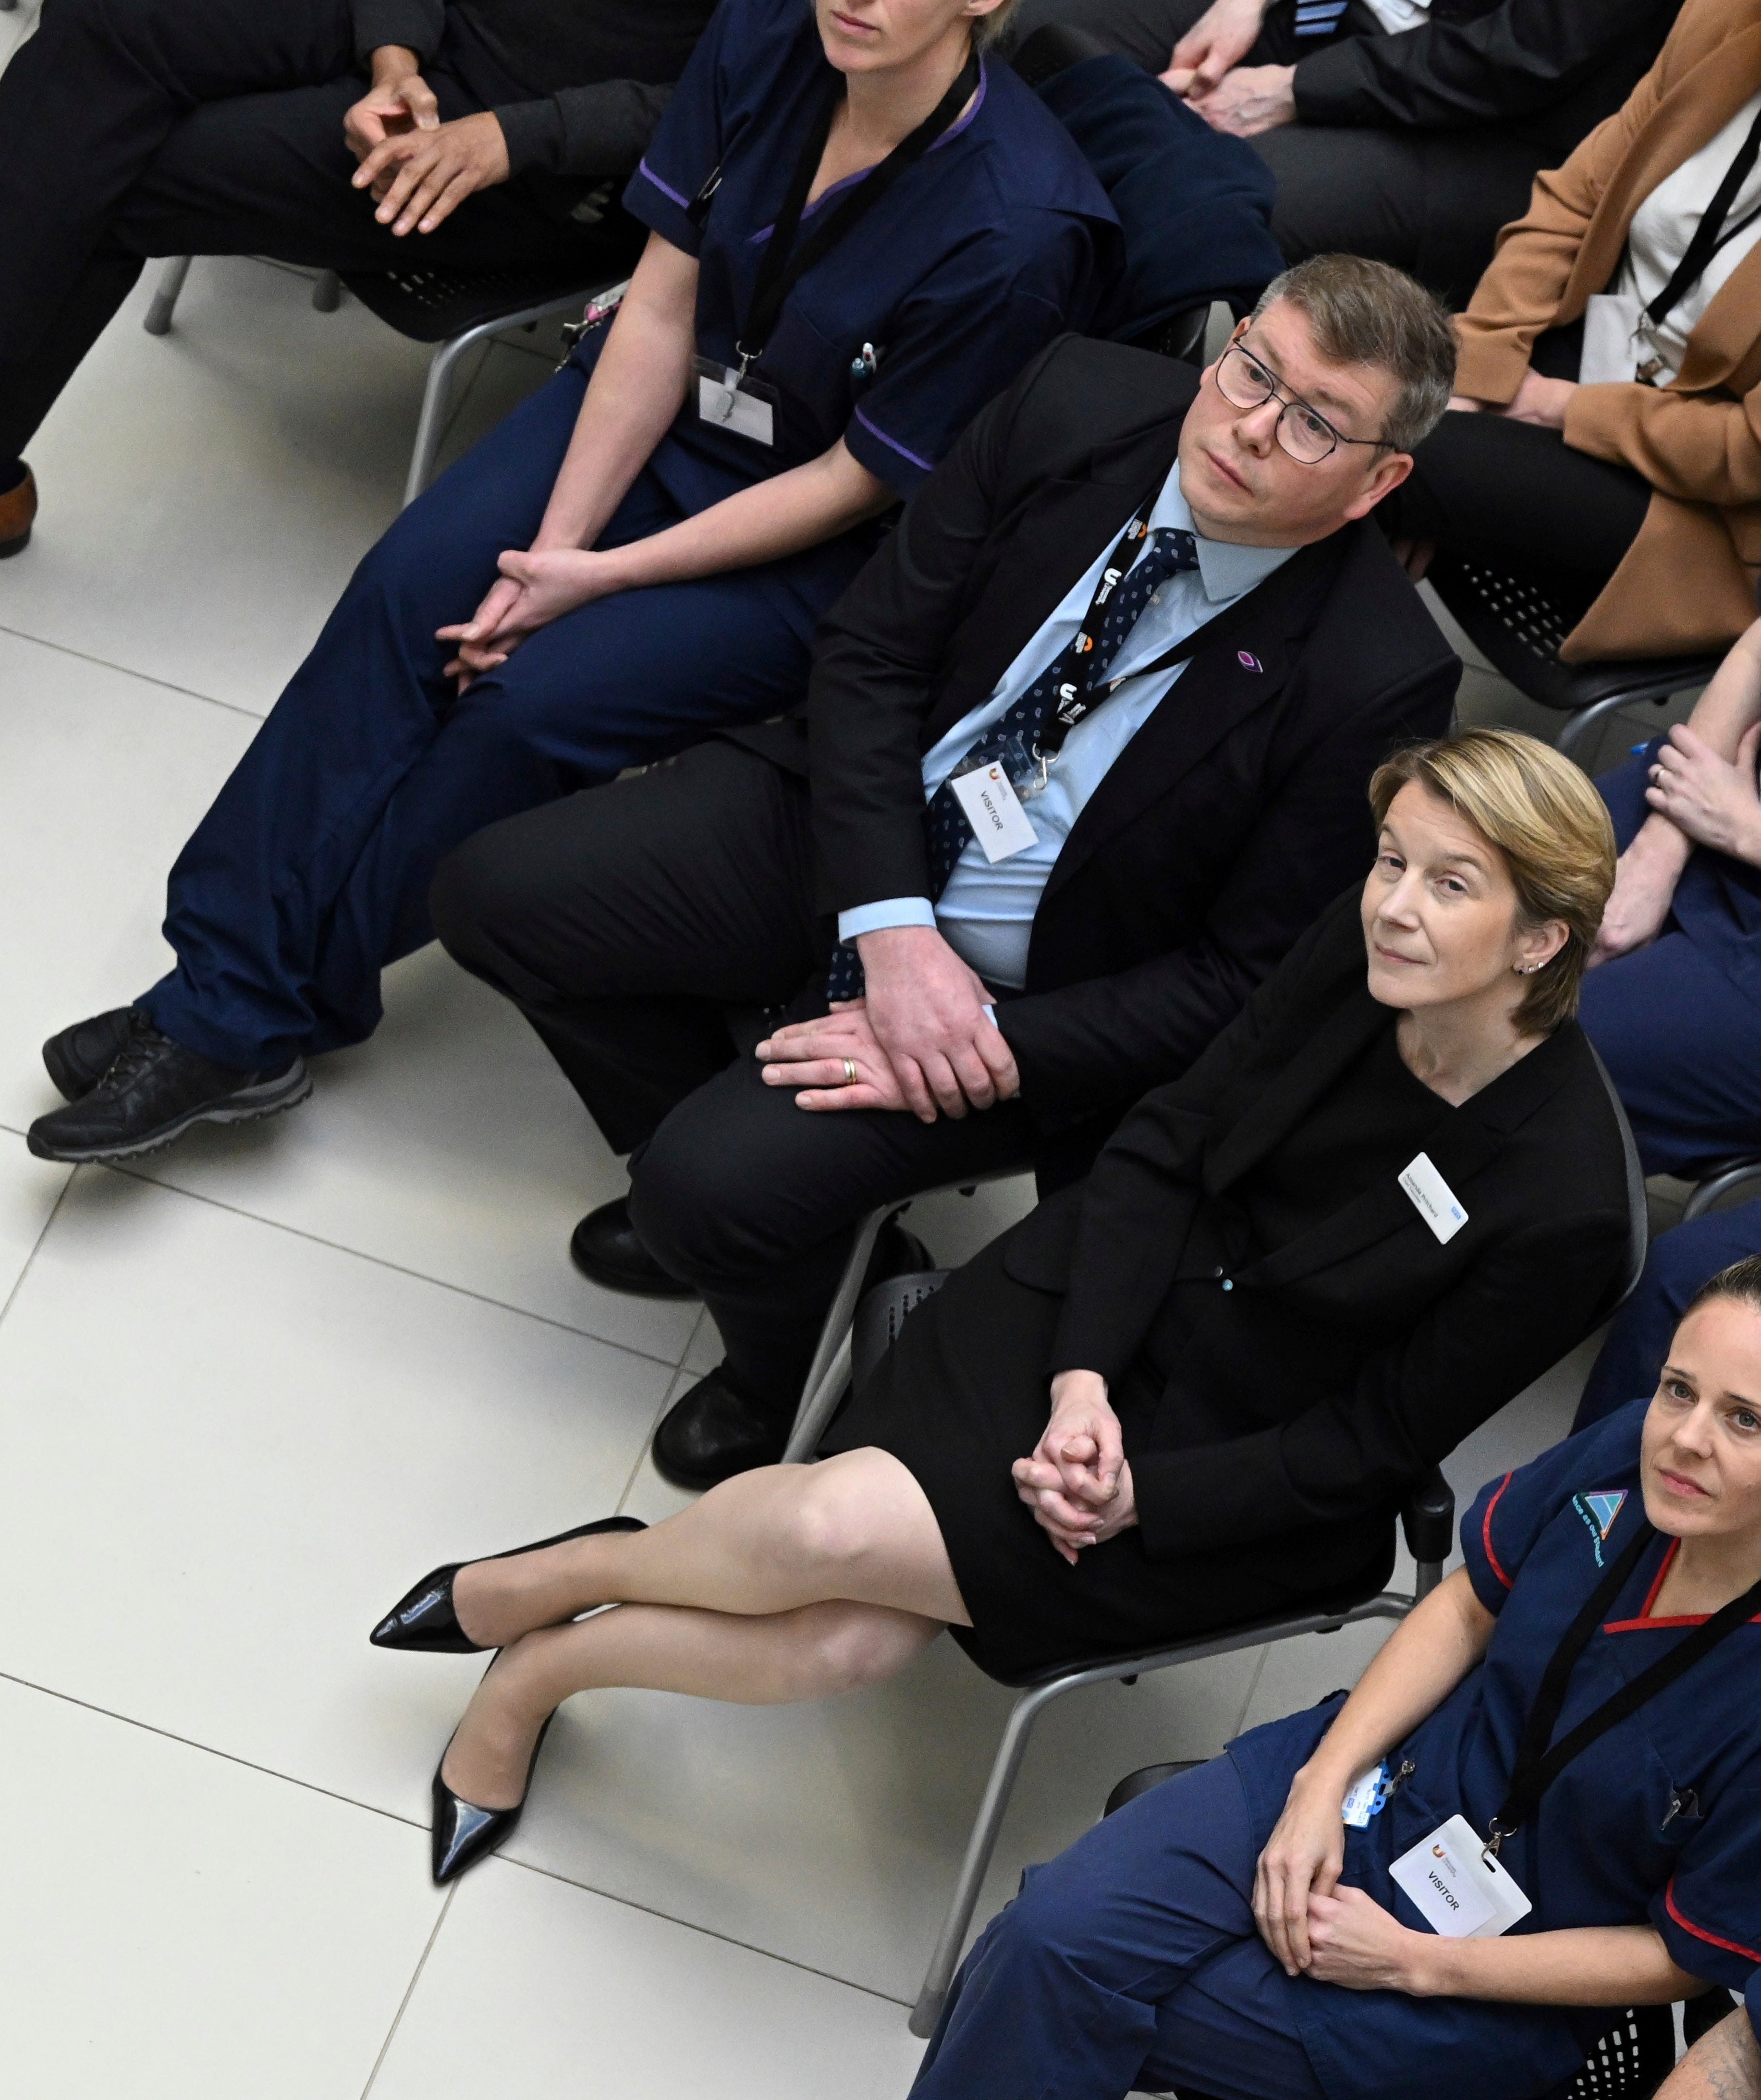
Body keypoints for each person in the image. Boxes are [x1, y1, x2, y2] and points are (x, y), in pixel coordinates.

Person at [369, 731, 1636, 1894]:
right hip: (1101, 1297)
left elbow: (1370, 1441)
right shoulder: (1360, 956)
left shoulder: (1559, 1204)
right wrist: (1082, 1374)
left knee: (850, 1623)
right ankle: (549, 1609)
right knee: (835, 1578)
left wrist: (1144, 1494)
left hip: (1240, 1470)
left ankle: (538, 1630)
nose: (1394, 905)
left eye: (1447, 884)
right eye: (1388, 860)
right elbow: (1163, 1147)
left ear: (1540, 940)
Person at [23, 0, 1120, 1162]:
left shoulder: (1018, 229)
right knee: (413, 589)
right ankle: (228, 994)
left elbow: (853, 483)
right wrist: (548, 551)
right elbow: (659, 300)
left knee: (528, 704)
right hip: (667, 410)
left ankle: (233, 1010)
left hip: (812, 540)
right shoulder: (760, 34)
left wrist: (593, 580)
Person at [433, 254, 1460, 1491]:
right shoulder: (1073, 398)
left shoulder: (1374, 674)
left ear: (1378, 479)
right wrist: (888, 930)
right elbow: (869, 652)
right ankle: (760, 1208)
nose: (1247, 425)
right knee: (493, 898)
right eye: (1251, 370)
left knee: (710, 1191)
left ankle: (781, 1361)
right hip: (856, 835)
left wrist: (983, 1034)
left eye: (1310, 423)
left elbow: (1238, 981)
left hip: (1021, 1002)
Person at [903, 1254, 1761, 2100]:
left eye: (1745, 1419)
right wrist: (1321, 1782)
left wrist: (1421, 1962)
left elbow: (1682, 1957)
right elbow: (1468, 1609)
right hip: (1379, 1780)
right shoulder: (1630, 1457)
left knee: (1060, 1997)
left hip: (1490, 1971)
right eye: (1677, 1388)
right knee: (1043, 1942)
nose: (1685, 1437)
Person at [0, 0, 707, 565]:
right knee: (103, 26)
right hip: (426, 33)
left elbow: (758, 113)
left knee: (124, 163)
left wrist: (513, 136)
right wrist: (392, 54)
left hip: (537, 154)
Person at [1376, 0, 1761, 657]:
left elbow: (1746, 452)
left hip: (1704, 506)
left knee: (1375, 454)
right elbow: (1575, 198)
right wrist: (1473, 379)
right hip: (1602, 348)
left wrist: (1556, 408)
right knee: (1383, 399)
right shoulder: (1726, 17)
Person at [1004, 0, 1680, 304]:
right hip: (1318, 16)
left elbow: (1519, 58)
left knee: (1207, 202)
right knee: (1023, 27)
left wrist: (1294, 88)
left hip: (1473, 121)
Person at [1570, 617, 1761, 1427]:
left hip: (1741, 825)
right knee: (1477, 871)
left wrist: (1745, 830)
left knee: (1555, 1045)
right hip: (1720, 802)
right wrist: (1665, 840)